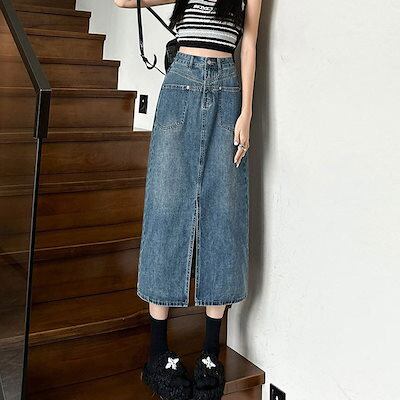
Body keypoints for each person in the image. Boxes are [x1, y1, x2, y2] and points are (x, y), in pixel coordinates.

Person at [114, 0, 262, 398]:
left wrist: (247, 113)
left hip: (228, 89)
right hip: (181, 82)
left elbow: (249, 43)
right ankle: (157, 354)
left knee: (225, 210)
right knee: (166, 208)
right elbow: (123, 1)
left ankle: (210, 352)